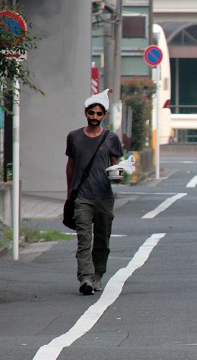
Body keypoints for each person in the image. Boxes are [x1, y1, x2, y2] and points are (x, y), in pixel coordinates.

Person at [65, 89, 123, 295]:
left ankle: (98, 274)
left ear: (104, 116)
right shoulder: (74, 137)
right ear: (85, 113)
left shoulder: (111, 139)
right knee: (83, 238)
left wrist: (118, 174)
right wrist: (69, 192)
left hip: (104, 197)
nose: (95, 117)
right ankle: (86, 278)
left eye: (99, 114)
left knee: (102, 239)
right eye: (92, 113)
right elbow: (70, 166)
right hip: (82, 197)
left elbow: (116, 165)